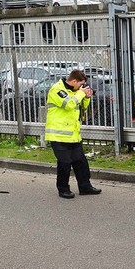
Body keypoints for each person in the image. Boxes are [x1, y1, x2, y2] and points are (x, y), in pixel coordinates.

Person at [45, 69, 102, 199]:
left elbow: (81, 108)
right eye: (80, 84)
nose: (81, 87)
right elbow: (69, 104)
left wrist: (86, 97)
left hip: (73, 135)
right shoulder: (57, 89)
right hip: (58, 135)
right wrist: (81, 93)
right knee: (65, 163)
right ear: (74, 81)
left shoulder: (75, 92)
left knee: (80, 162)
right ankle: (63, 189)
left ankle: (85, 186)